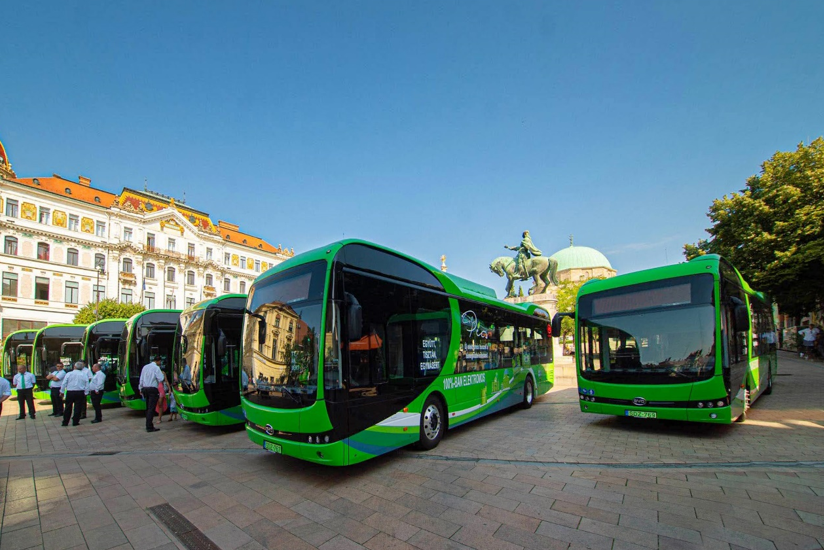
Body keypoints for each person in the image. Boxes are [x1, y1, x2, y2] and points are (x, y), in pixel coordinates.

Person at [139, 355, 165, 432]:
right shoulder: (156, 368)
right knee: (151, 408)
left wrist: (140, 388)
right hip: (152, 389)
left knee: (148, 407)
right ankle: (149, 426)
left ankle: (148, 424)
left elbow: (141, 379)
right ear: (158, 361)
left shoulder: (145, 367)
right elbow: (161, 378)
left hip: (145, 388)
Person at [61, 362, 89, 426]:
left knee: (68, 407)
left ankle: (65, 422)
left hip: (70, 392)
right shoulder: (84, 374)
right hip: (80, 392)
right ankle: (75, 422)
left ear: (74, 367)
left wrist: (62, 391)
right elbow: (87, 384)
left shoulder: (69, 374)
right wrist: (86, 392)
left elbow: (64, 383)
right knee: (78, 407)